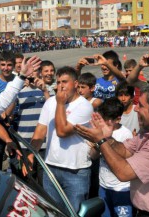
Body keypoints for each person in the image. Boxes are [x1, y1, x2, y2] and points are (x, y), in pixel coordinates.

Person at [75, 81, 149, 217]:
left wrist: (100, 141)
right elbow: (126, 151)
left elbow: (124, 173)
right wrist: (107, 138)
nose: (136, 109)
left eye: (141, 106)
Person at [25, 66, 94, 212]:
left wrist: (60, 103)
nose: (60, 86)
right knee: (52, 211)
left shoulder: (84, 106)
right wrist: (31, 154)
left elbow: (62, 131)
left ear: (75, 84)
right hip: (50, 168)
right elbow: (40, 130)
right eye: (58, 82)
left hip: (76, 171)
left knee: (73, 212)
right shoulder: (50, 102)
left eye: (64, 82)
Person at [88, 98, 133, 217]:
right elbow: (93, 156)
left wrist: (108, 141)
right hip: (103, 186)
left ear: (118, 119)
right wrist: (97, 145)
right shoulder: (99, 132)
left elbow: (126, 160)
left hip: (122, 189)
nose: (104, 124)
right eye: (102, 119)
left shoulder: (126, 134)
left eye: (108, 122)